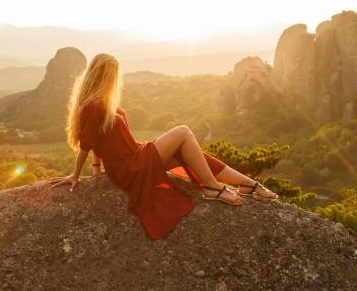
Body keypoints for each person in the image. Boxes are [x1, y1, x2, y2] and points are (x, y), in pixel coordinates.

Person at [49, 53, 277, 240]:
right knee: (183, 132)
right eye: (112, 75)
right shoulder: (93, 105)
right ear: (102, 75)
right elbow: (87, 145)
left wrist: (98, 169)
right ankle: (212, 187)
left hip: (136, 155)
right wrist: (76, 175)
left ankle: (249, 184)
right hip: (131, 167)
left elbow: (100, 139)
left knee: (190, 153)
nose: (114, 80)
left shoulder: (103, 103)